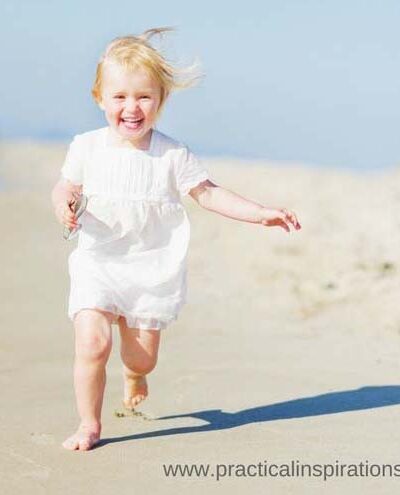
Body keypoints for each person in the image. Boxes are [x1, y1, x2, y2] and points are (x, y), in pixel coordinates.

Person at [51, 27, 301, 452]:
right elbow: (65, 186)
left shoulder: (172, 154)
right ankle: (88, 424)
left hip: (149, 267)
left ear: (161, 101)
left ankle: (135, 374)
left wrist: (260, 213)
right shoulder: (86, 147)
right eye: (120, 97)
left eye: (144, 97)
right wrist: (65, 202)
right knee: (93, 342)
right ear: (99, 98)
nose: (132, 107)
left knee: (141, 356)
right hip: (98, 259)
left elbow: (208, 193)